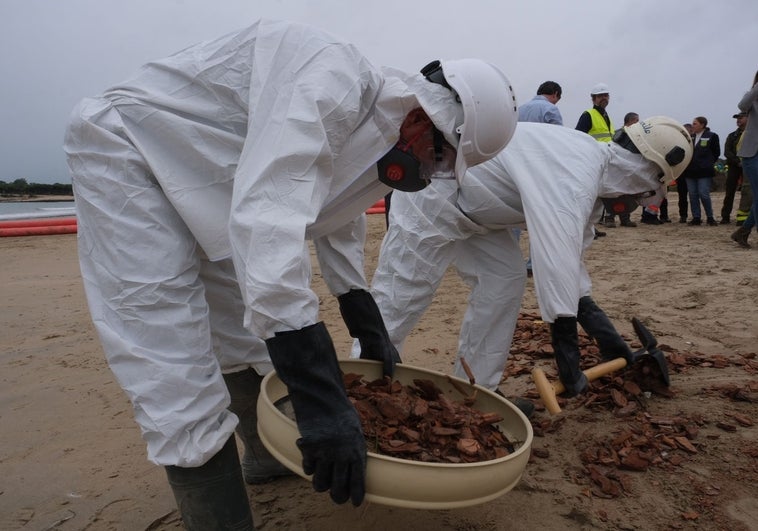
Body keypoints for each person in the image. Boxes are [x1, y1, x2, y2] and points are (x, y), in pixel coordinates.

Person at [63, 19, 518, 529]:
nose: (432, 173)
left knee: (238, 328)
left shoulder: (384, 136)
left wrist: (363, 316)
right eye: (439, 158)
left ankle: (260, 458)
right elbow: (269, 220)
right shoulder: (330, 79)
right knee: (169, 354)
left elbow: (336, 217)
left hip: (217, 188)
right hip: (132, 152)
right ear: (419, 118)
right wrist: (320, 398)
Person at [358, 116, 692, 402]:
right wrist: (568, 359)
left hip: (480, 214)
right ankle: (358, 389)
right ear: (645, 173)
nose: (637, 199)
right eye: (649, 188)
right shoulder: (577, 168)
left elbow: (572, 266)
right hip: (434, 190)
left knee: (504, 279)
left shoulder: (593, 178)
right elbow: (555, 259)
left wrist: (609, 341)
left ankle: (475, 391)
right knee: (402, 294)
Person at [516, 80, 564, 275]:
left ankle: (512, 261)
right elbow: (558, 141)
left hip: (516, 167)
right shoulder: (550, 110)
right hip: (540, 170)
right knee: (539, 218)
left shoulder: (518, 110)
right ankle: (532, 264)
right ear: (554, 94)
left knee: (512, 219)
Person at [577, 84, 635, 228]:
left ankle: (623, 216)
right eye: (601, 96)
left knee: (616, 187)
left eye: (606, 95)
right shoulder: (588, 115)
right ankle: (607, 218)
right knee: (604, 190)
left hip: (609, 157)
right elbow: (578, 136)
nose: (604, 98)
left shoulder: (605, 115)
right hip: (595, 158)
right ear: (594, 99)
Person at [731, 70, 758, 248]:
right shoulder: (752, 97)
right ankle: (743, 232)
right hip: (752, 153)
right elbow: (741, 105)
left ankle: (743, 231)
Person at [683, 116, 721, 225]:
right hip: (690, 171)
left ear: (702, 125)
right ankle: (696, 217)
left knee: (703, 193)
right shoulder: (690, 137)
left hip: (704, 171)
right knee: (692, 194)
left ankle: (710, 217)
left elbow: (716, 152)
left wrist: (707, 163)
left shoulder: (712, 136)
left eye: (695, 123)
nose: (692, 125)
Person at [720, 112, 748, 224]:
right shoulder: (732, 135)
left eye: (741, 118)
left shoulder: (752, 134)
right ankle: (725, 216)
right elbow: (727, 152)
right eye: (737, 118)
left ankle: (744, 217)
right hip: (734, 166)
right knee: (729, 191)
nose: (738, 120)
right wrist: (737, 162)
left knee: (747, 191)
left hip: (749, 165)